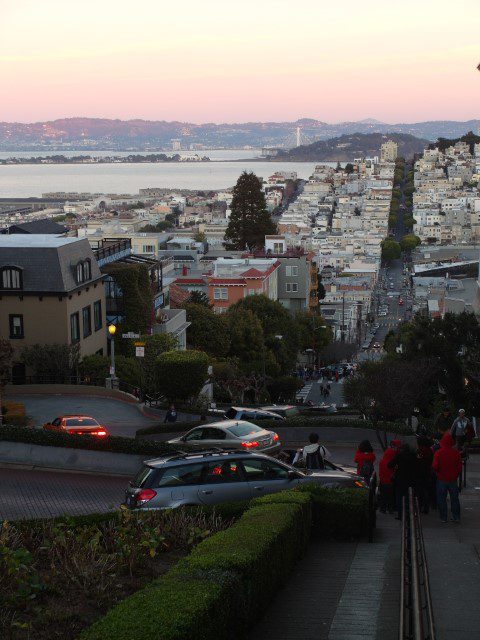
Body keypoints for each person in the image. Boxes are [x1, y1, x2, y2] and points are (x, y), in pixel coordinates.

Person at [432, 432, 462, 523]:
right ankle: (456, 517)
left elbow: (434, 466)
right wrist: (455, 475)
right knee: (454, 499)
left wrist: (438, 474)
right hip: (452, 479)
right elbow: (459, 467)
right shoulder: (456, 453)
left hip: (441, 479)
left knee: (441, 499)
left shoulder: (438, 453)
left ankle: (443, 517)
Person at [388, 443, 419, 519]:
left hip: (400, 480)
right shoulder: (414, 456)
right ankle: (409, 514)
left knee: (400, 498)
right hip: (411, 480)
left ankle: (401, 515)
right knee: (409, 497)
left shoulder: (399, 456)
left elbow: (389, 465)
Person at [378, 439, 401, 514]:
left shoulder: (382, 461)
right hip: (390, 481)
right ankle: (390, 509)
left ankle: (383, 508)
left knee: (383, 496)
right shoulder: (392, 462)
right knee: (390, 496)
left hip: (383, 481)